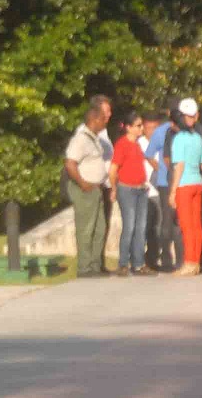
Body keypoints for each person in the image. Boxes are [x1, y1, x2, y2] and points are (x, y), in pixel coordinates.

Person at [64, 95, 115, 278]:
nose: (105, 122)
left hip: (97, 188)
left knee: (99, 228)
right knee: (86, 229)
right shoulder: (81, 138)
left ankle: (96, 265)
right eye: (103, 118)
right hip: (85, 189)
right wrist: (82, 182)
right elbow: (70, 163)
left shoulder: (95, 138)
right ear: (94, 119)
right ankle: (84, 267)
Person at [166, 98, 202, 275]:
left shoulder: (179, 139)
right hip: (197, 182)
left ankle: (189, 263)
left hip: (184, 184)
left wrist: (172, 191)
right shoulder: (198, 138)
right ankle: (195, 263)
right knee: (197, 225)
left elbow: (179, 166)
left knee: (186, 226)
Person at [110, 110, 153, 276]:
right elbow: (113, 169)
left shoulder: (137, 145)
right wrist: (114, 189)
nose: (141, 129)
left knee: (140, 227)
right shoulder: (122, 144)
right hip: (127, 189)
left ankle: (138, 263)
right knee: (129, 226)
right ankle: (123, 263)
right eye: (138, 126)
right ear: (128, 127)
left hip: (141, 189)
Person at [145, 110, 179, 272]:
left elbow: (149, 155)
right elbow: (149, 155)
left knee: (171, 219)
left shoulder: (162, 130)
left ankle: (174, 258)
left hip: (174, 181)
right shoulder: (162, 130)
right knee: (170, 220)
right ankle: (169, 258)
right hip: (168, 181)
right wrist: (162, 170)